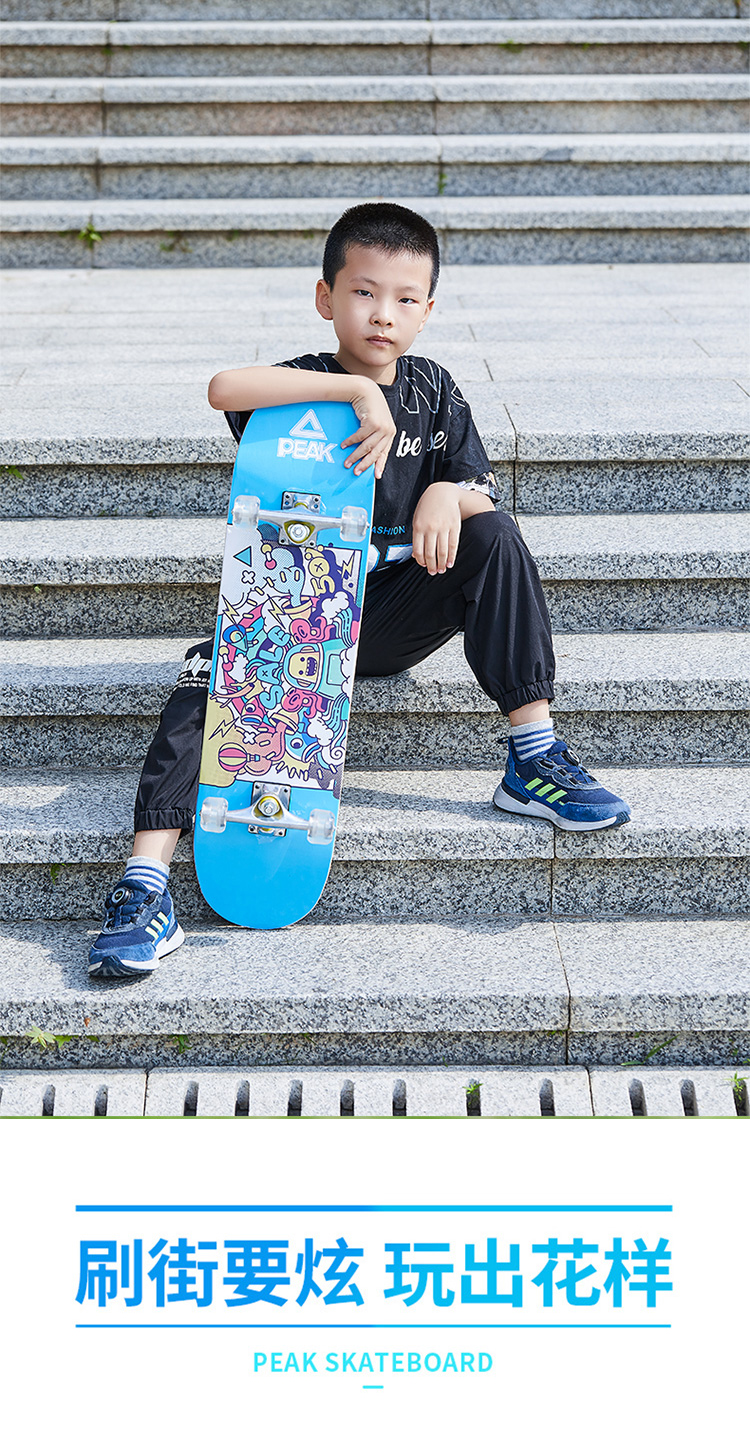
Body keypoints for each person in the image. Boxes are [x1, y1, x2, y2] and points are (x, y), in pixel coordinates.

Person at [88, 202, 630, 979]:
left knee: (494, 532)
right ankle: (146, 885)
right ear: (326, 297)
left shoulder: (433, 389)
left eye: (406, 299)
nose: (384, 314)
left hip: (391, 617)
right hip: (295, 624)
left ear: (428, 311)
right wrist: (354, 392)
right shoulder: (301, 383)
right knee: (211, 664)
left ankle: (533, 756)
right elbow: (221, 387)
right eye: (364, 292)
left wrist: (448, 494)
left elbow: (478, 483)